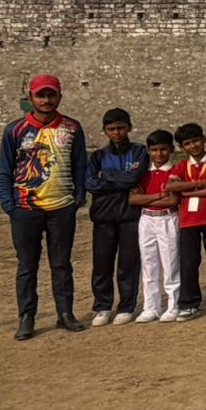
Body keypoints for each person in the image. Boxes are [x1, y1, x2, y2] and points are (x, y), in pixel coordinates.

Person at [0, 73, 89, 340]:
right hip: (25, 209)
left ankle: (65, 313)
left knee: (61, 264)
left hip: (61, 208)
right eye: (41, 95)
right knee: (27, 266)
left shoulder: (72, 128)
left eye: (51, 95)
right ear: (31, 98)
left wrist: (78, 197)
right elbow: (4, 171)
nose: (46, 100)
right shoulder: (15, 130)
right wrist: (10, 206)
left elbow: (80, 165)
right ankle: (26, 316)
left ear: (59, 96)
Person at [166, 122, 206, 321]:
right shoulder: (180, 166)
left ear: (203, 140)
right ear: (182, 147)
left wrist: (186, 190)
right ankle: (189, 303)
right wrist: (201, 183)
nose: (193, 146)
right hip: (189, 220)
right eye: (187, 143)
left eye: (196, 141)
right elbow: (170, 186)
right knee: (189, 262)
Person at [87, 108, 145, 327]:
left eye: (121, 128)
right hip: (103, 216)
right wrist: (121, 181)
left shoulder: (139, 152)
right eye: (111, 129)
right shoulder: (98, 156)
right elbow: (91, 183)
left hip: (130, 215)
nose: (116, 132)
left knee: (128, 264)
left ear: (129, 127)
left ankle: (126, 306)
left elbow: (134, 178)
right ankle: (102, 306)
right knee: (102, 264)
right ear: (105, 131)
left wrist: (107, 176)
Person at [132, 130, 181, 325]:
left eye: (163, 149)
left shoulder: (175, 172)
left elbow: (172, 200)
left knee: (170, 263)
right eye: (154, 150)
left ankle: (174, 304)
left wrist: (147, 198)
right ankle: (151, 307)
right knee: (149, 263)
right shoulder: (142, 173)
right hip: (146, 219)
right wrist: (159, 196)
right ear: (149, 151)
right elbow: (133, 199)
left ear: (171, 149)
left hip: (167, 218)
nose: (159, 154)